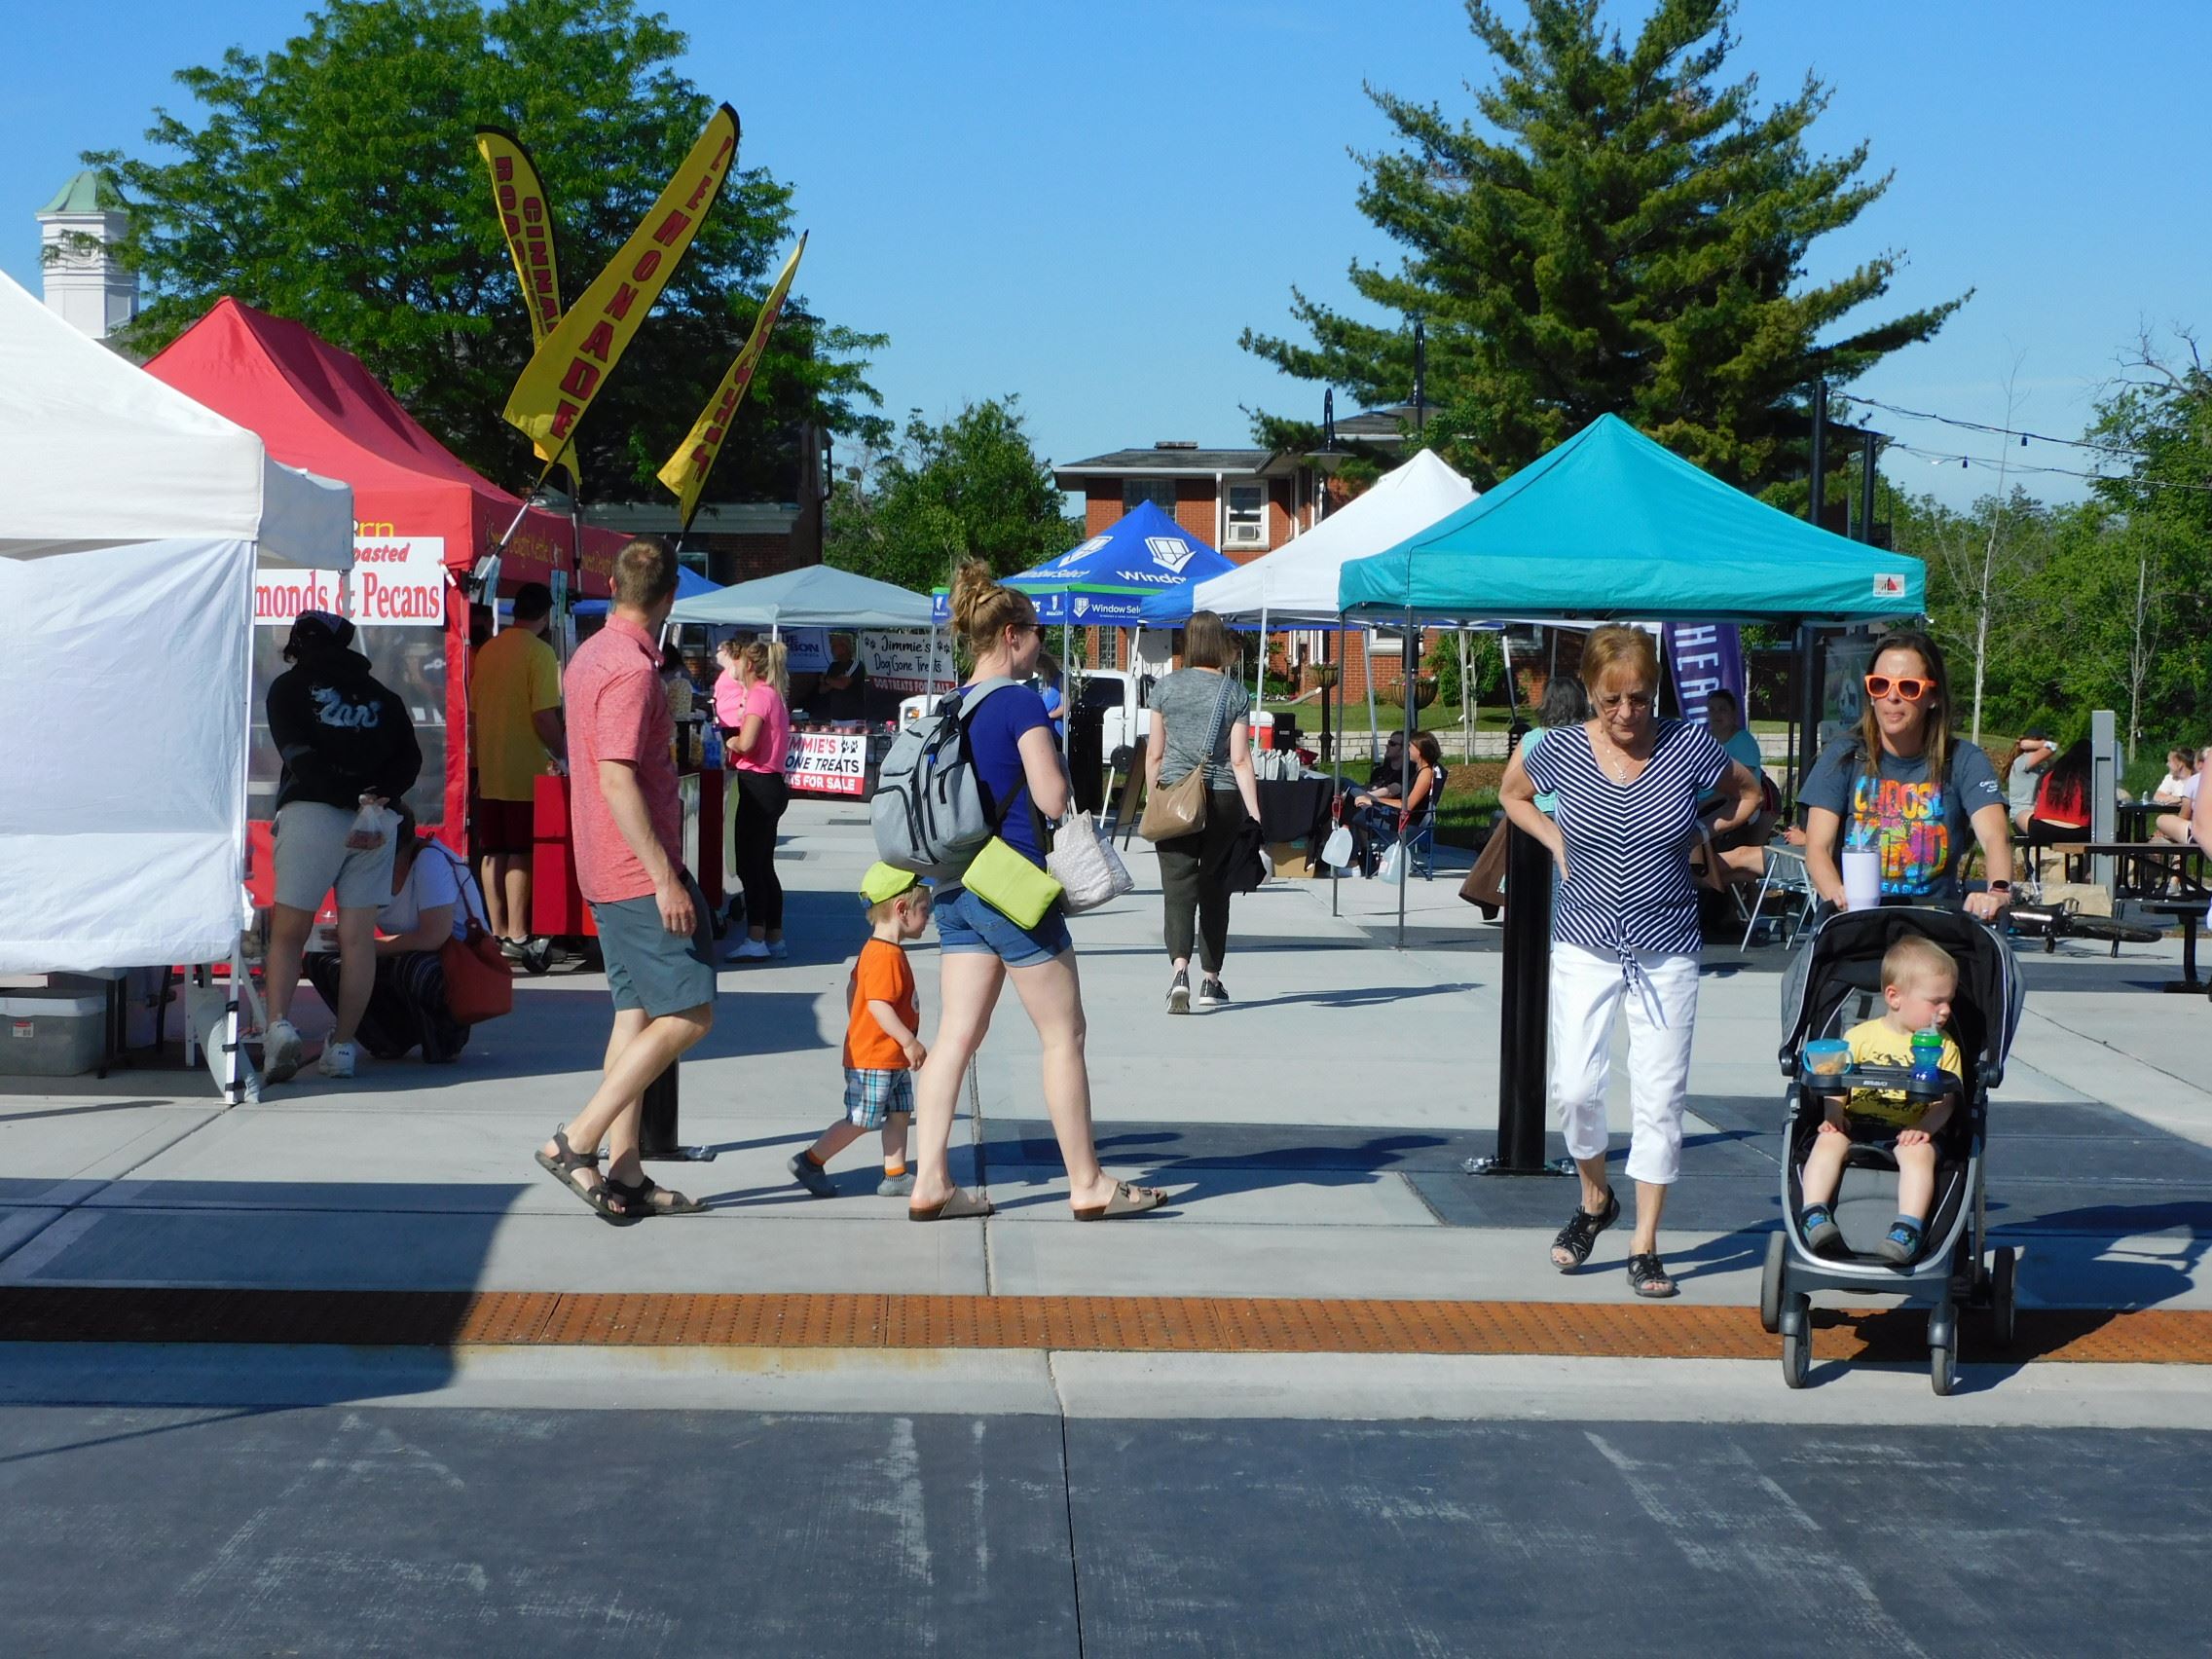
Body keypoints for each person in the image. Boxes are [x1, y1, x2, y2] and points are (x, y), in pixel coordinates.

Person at [1497, 624, 1762, 1298]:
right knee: (1576, 1090)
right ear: (1591, 691)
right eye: (1612, 700)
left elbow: (1750, 790)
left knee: (1659, 1098)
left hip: (1667, 945)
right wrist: (1556, 841)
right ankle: (1595, 1200)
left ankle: (1645, 1243)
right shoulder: (1556, 748)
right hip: (1585, 939)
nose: (1625, 714)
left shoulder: (1687, 746)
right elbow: (1512, 794)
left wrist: (1708, 831)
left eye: (1639, 699)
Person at [907, 559, 1165, 1223]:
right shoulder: (1020, 702)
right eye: (1039, 637)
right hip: (1014, 888)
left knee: (956, 1034)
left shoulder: (949, 705)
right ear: (1013, 635)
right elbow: (1051, 797)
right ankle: (1088, 1182)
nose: (1041, 650)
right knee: (1062, 1034)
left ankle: (930, 1179)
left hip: (954, 886)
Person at [532, 537, 712, 1224]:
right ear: (670, 598)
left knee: (634, 1013)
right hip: (635, 867)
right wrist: (666, 878)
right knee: (691, 1012)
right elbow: (615, 777)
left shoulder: (589, 655)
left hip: (603, 863)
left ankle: (628, 1167)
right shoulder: (633, 672)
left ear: (612, 585)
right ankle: (576, 1142)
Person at [261, 611, 424, 1086]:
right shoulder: (382, 696)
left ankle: (278, 1028)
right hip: (376, 820)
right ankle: (344, 1046)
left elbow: (298, 756)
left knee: (290, 931)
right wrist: (378, 797)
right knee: (357, 940)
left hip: (313, 813)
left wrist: (340, 794)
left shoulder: (288, 690)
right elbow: (410, 759)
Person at [1800, 630, 2014, 922]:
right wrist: (1836, 894)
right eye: (1879, 685)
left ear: (1933, 697)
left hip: (1934, 927)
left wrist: (1998, 892)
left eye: (1908, 688)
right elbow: (1817, 847)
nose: (1892, 697)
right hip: (1857, 926)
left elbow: (1995, 836)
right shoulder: (1844, 755)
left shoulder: (1963, 759)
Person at [1798, 934, 1964, 1267]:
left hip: (1910, 1130)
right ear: (1894, 997)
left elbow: (1946, 1101)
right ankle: (1813, 1213)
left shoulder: (1944, 1047)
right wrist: (1834, 1113)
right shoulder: (1859, 1037)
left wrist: (1924, 1127)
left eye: (1950, 1001)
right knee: (1828, 1141)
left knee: (1917, 1153)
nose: (1945, 1010)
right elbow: (1835, 1084)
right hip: (1856, 1123)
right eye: (1935, 1002)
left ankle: (1907, 1228)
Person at [789, 864, 933, 1200]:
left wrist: (859, 1024)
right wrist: (908, 1040)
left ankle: (895, 1175)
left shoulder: (877, 950)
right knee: (862, 1119)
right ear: (901, 910)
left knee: (898, 1113)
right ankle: (810, 1161)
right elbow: (878, 1005)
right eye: (925, 909)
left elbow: (854, 989)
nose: (929, 917)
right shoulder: (885, 956)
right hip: (876, 1057)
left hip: (887, 1056)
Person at [1146, 610, 1263, 1012]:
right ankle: (1211, 981)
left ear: (1187, 643)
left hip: (1175, 794)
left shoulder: (1164, 688)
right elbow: (1241, 759)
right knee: (1216, 890)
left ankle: (1179, 972)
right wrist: (1255, 814)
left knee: (1177, 888)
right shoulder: (1235, 693)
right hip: (1224, 799)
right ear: (1220, 642)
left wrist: (1154, 796)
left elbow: (1155, 753)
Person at [303, 807, 481, 1065]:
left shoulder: (430, 861)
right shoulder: (366, 868)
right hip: (402, 955)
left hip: (457, 964)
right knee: (320, 960)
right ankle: (384, 1038)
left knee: (413, 965)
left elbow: (434, 937)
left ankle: (446, 1038)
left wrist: (364, 947)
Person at [468, 582, 565, 970]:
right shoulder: (540, 654)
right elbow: (544, 716)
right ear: (546, 616)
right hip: (527, 768)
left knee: (493, 852)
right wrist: (565, 751)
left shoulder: (488, 649)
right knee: (522, 852)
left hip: (490, 765)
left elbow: (474, 711)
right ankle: (518, 934)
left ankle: (498, 928)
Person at [1461, 677, 1586, 918]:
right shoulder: (1589, 738)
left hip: (1535, 819)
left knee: (1538, 887)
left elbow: (1508, 785)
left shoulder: (1533, 739)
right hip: (1575, 818)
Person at [715, 638, 793, 961]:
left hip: (756, 782)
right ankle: (774, 935)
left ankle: (756, 935)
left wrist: (729, 741)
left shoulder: (759, 695)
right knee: (764, 864)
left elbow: (747, 743)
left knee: (751, 865)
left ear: (748, 664)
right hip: (772, 782)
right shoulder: (773, 695)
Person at [1347, 729, 1445, 877]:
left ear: (1420, 751)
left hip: (1409, 822)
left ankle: (1360, 860)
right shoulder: (1420, 770)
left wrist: (1374, 801)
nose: (1408, 750)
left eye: (1410, 747)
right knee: (1356, 804)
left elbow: (1408, 805)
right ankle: (1364, 859)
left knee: (1357, 814)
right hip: (1404, 816)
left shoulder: (1426, 773)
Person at [2155, 744, 2207, 845]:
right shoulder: (2171, 778)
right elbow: (2158, 796)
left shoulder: (2194, 780)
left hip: (2200, 830)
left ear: (2200, 764)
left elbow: (2184, 815)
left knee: (2161, 819)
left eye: (2169, 761)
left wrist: (2169, 830)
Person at [2007, 730, 2058, 833]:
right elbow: (2053, 747)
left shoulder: (2039, 767)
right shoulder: (2023, 761)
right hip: (2022, 817)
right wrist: (2041, 744)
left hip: (2036, 815)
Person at [817, 634, 870, 722]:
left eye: (834, 646)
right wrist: (834, 682)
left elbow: (842, 685)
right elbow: (822, 690)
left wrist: (828, 680)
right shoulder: (833, 666)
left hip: (854, 717)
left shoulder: (856, 665)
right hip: (836, 716)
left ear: (844, 648)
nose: (831, 649)